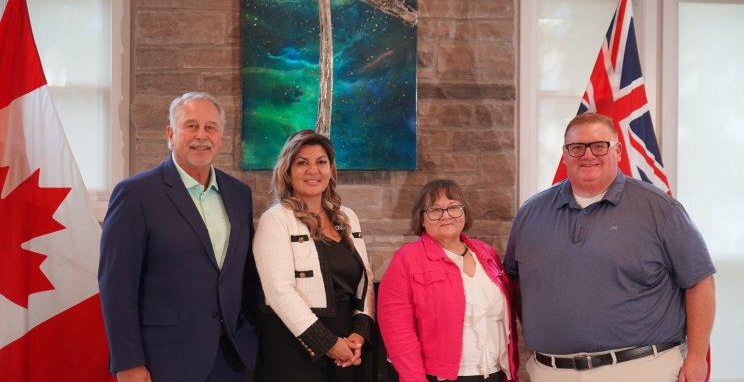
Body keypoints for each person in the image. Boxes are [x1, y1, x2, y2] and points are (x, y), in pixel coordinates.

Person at [504, 112, 716, 382]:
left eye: (599, 146)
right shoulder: (531, 212)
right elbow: (515, 280)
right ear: (565, 154)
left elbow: (700, 282)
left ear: (618, 151)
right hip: (551, 371)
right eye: (576, 147)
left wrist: (696, 357)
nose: (587, 155)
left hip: (641, 369)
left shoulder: (661, 210)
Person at [98, 92, 260, 382]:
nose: (202, 136)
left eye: (210, 127)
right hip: (164, 359)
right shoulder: (135, 194)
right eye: (191, 126)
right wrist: (128, 362)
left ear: (222, 136)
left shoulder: (239, 194)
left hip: (230, 359)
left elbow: (246, 275)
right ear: (171, 134)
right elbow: (117, 287)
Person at [252, 130, 375, 381]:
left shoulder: (346, 218)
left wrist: (360, 333)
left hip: (346, 344)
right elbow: (278, 292)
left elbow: (366, 279)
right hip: (293, 346)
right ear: (287, 171)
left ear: (331, 169)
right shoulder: (275, 219)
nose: (313, 170)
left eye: (321, 162)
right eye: (302, 163)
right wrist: (326, 343)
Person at [378, 179, 520, 382]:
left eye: (453, 207)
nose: (446, 216)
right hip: (439, 377)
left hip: (495, 372)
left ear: (464, 212)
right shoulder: (406, 259)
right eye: (435, 210)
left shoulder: (487, 253)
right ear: (421, 219)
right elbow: (397, 331)